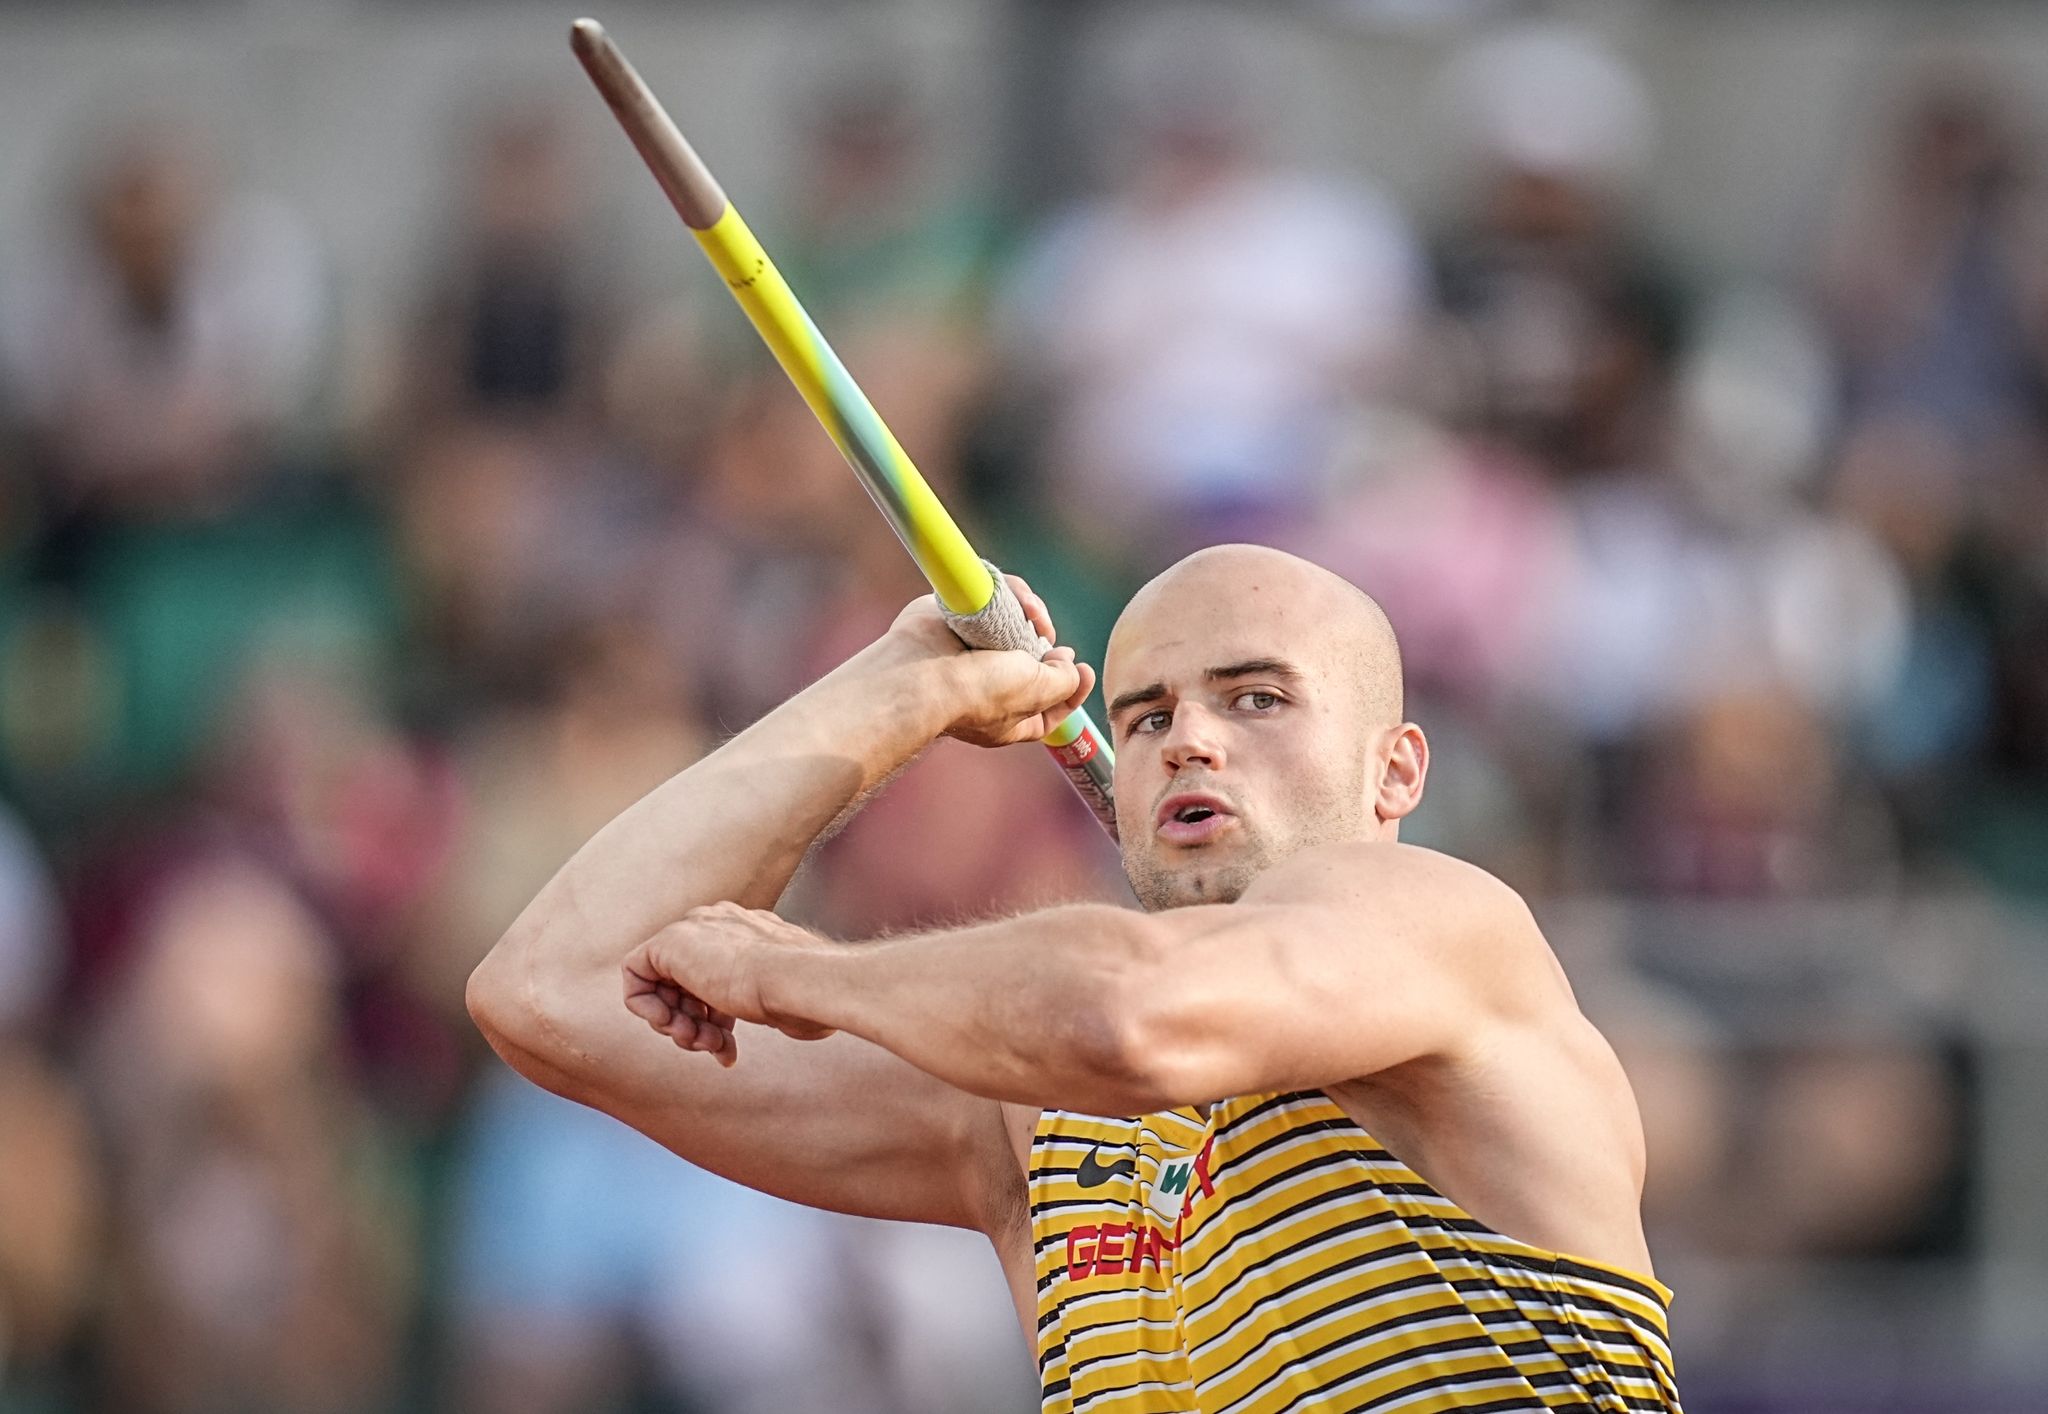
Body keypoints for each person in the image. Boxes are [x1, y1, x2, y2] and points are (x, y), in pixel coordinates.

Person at [467, 543, 1682, 1411]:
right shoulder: (1030, 1118)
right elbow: (549, 993)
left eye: (1256, 698)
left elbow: (1127, 1013)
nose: (1190, 737)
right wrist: (889, 696)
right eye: (1145, 716)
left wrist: (800, 976)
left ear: (1394, 772)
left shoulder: (1443, 924)